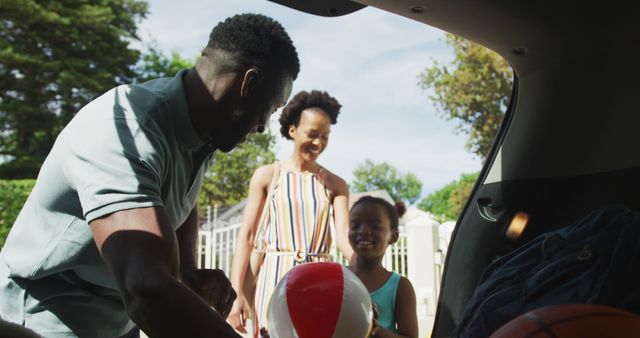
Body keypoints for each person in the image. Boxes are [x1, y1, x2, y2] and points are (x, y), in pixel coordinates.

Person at [0, 13, 299, 338]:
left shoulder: (203, 132)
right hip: (47, 318)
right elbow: (145, 289)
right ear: (249, 83)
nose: (261, 126)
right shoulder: (125, 128)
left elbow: (182, 196)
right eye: (271, 109)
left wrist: (186, 270)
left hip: (119, 321)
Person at [227, 90, 355, 336]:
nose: (319, 143)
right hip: (274, 279)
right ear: (293, 130)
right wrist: (235, 294)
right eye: (312, 134)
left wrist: (365, 274)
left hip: (320, 282)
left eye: (325, 136)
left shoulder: (336, 184)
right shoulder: (267, 175)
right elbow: (248, 235)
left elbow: (343, 237)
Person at [348, 196, 419, 338]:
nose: (363, 231)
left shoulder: (400, 286)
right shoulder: (338, 278)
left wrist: (373, 328)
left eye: (375, 226)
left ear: (393, 236)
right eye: (355, 225)